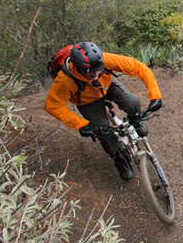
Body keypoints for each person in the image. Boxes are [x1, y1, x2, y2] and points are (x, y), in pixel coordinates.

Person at [44, 42, 163, 181]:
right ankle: (118, 160)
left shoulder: (105, 60)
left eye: (98, 70)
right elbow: (52, 105)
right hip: (86, 102)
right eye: (90, 73)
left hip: (107, 86)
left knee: (132, 102)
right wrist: (79, 124)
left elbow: (139, 67)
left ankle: (135, 120)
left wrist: (155, 96)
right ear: (79, 68)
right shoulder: (65, 80)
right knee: (103, 133)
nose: (96, 74)